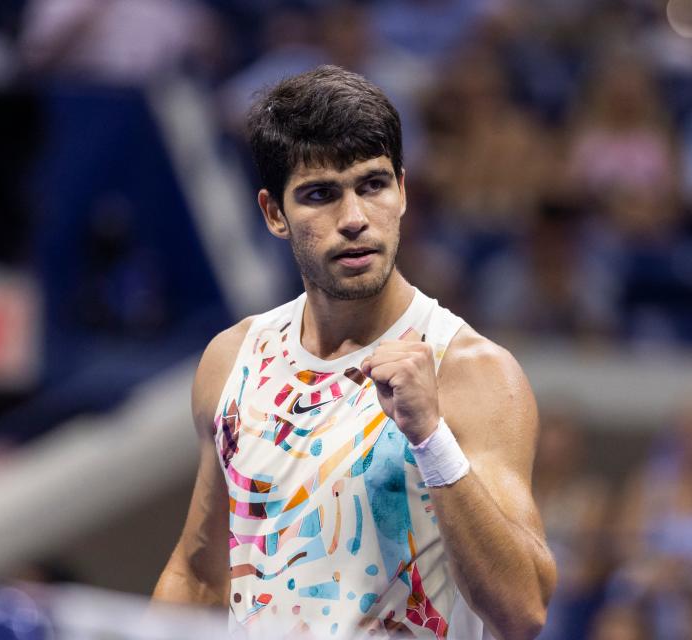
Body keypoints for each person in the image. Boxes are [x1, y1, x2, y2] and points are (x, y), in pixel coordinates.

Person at [151, 65, 556, 640]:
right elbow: (198, 575)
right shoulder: (232, 358)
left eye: (373, 184)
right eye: (321, 195)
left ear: (403, 191)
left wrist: (431, 437)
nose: (355, 219)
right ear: (273, 214)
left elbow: (523, 612)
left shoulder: (474, 371)